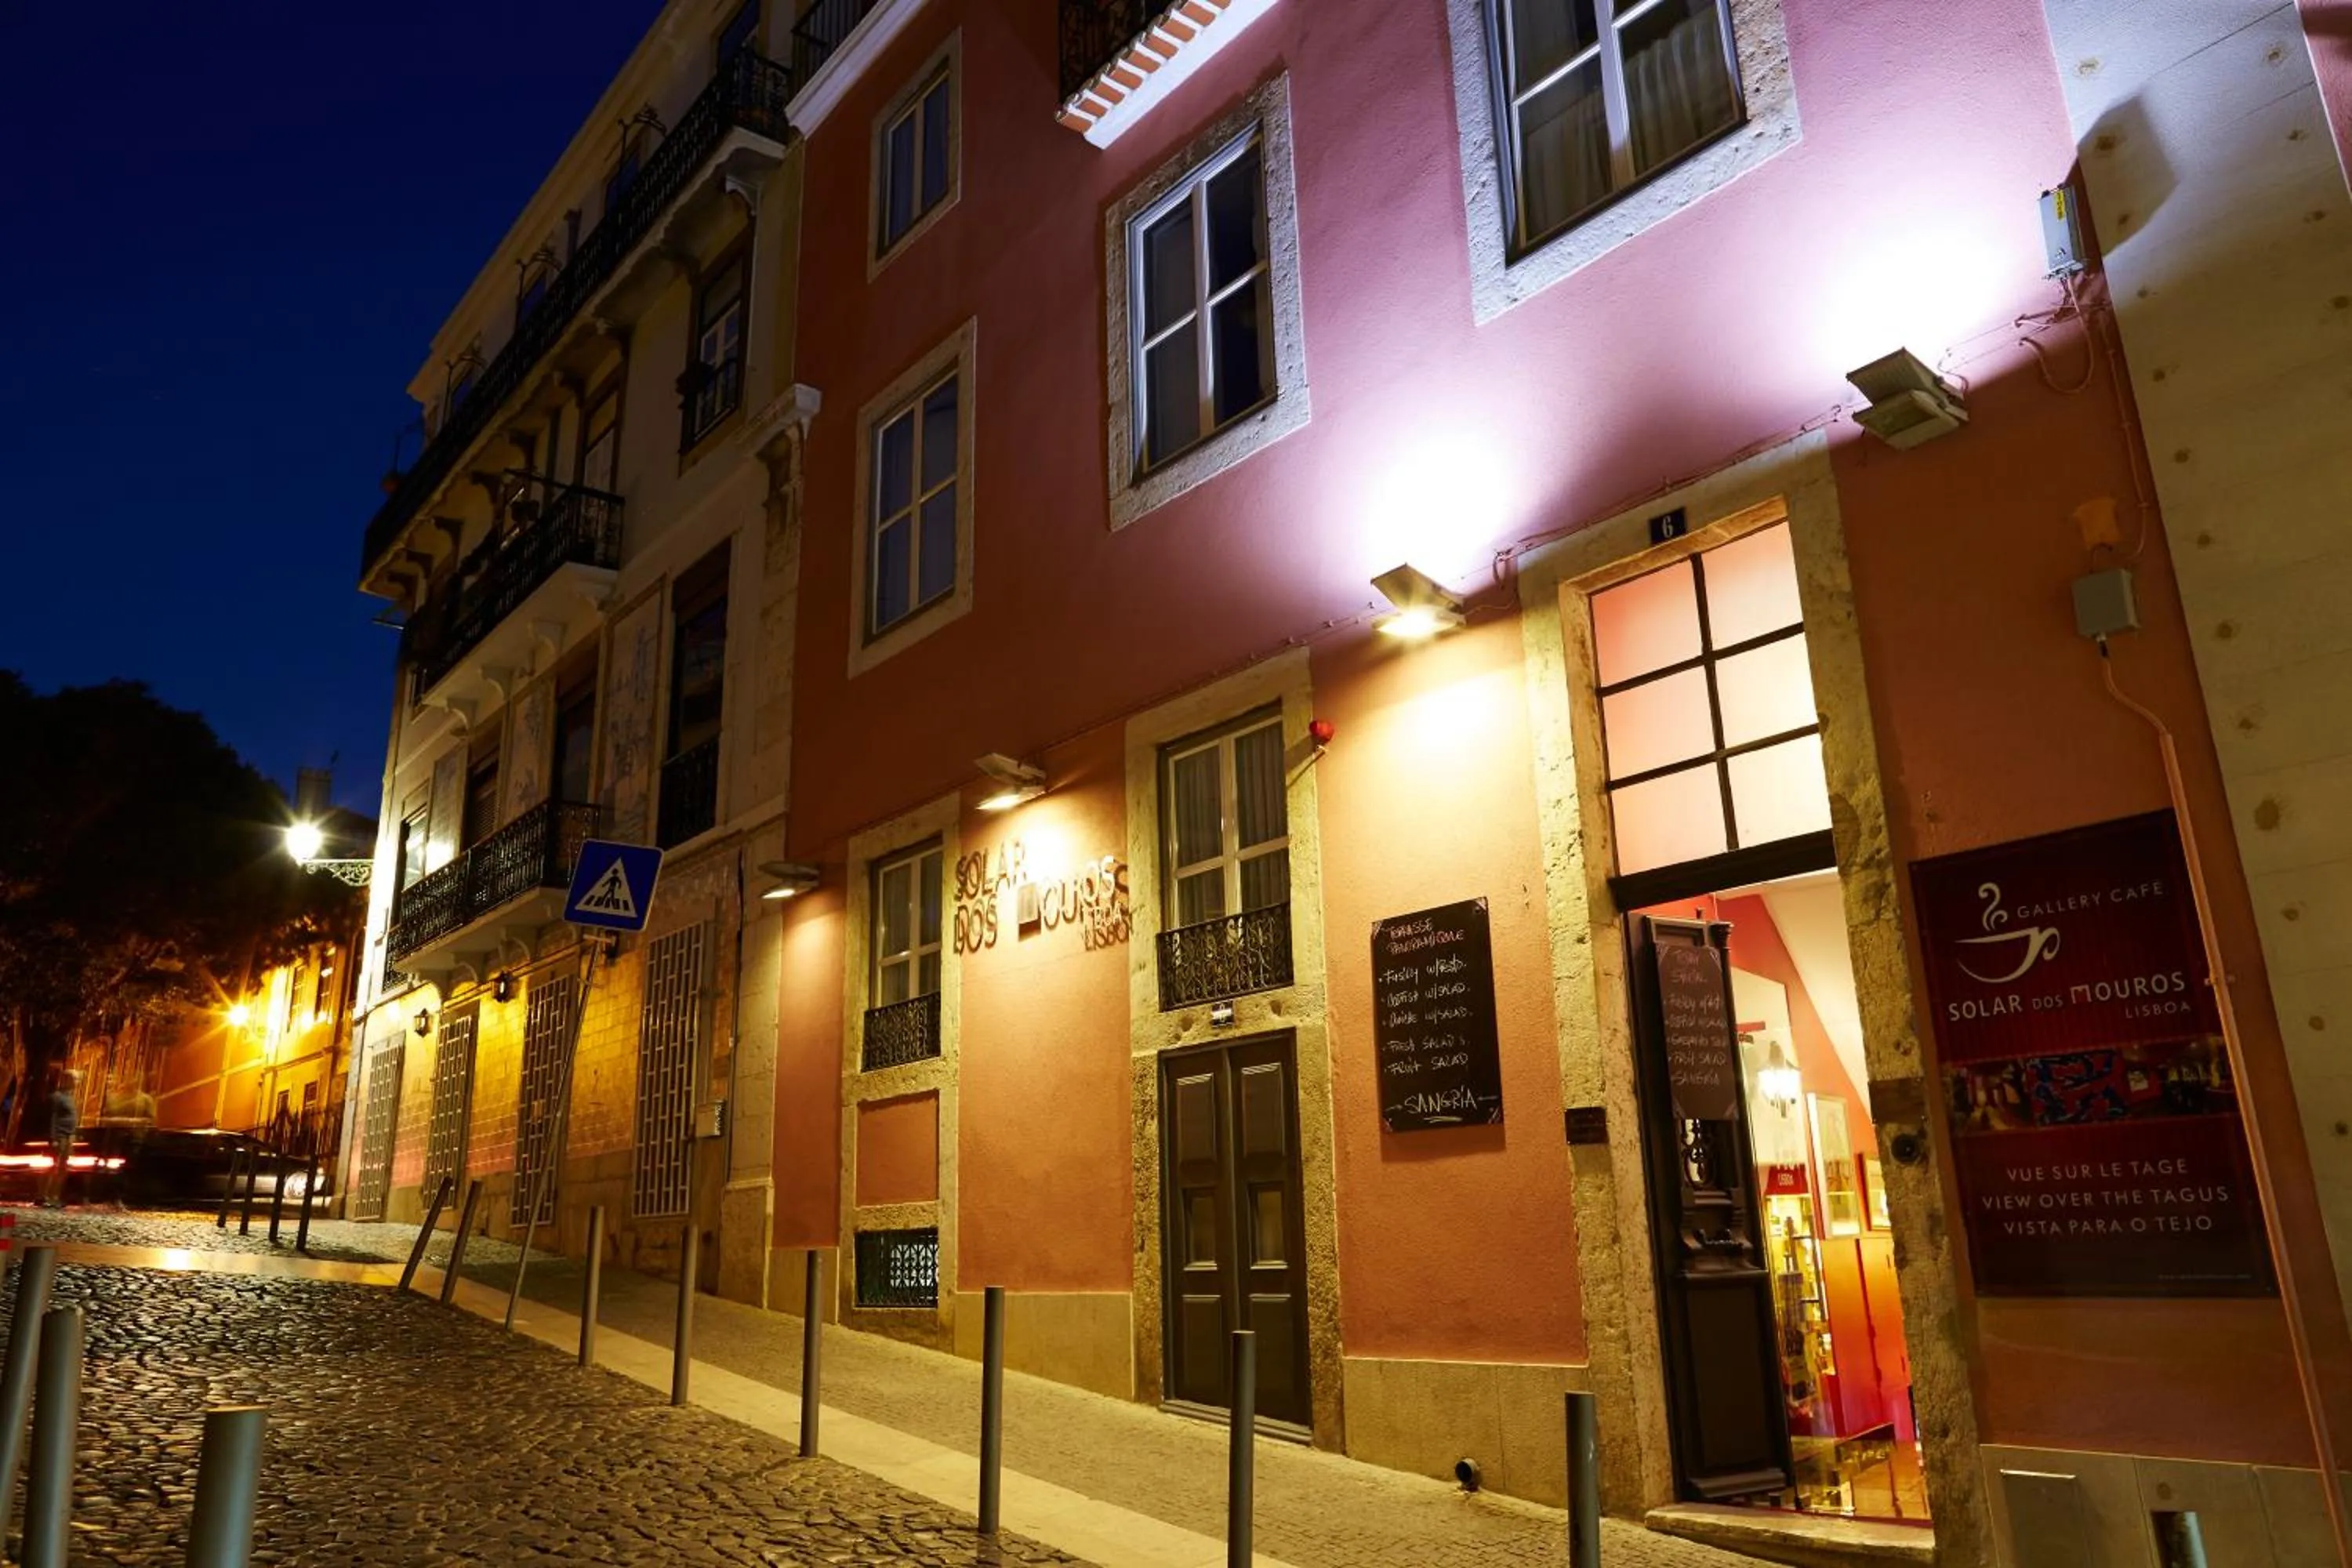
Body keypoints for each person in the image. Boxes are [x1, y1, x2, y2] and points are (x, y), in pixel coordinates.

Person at [41, 1069, 82, 1210]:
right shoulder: (57, 1097)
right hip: (60, 1136)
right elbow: (52, 1118)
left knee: (63, 1168)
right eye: (75, 1080)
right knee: (55, 1167)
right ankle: (46, 1196)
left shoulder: (70, 1097)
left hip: (68, 1136)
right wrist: (53, 1138)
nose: (77, 1083)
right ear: (68, 1081)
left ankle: (56, 1196)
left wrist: (73, 1134)